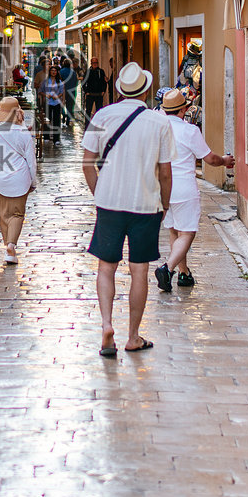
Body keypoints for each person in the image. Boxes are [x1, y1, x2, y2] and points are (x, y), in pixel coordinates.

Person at [81, 62, 174, 357]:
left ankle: (107, 325)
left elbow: (87, 162)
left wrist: (100, 192)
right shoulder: (159, 122)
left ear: (121, 89)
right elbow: (166, 172)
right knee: (139, 270)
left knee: (106, 267)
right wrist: (165, 203)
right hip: (145, 204)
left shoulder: (103, 115)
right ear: (146, 90)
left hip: (109, 203)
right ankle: (133, 336)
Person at [156, 88, 235, 292]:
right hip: (184, 187)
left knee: (174, 230)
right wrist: (225, 160)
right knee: (188, 231)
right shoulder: (189, 131)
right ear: (183, 110)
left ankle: (184, 273)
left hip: (163, 188)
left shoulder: (158, 129)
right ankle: (168, 268)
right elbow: (210, 159)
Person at [0, 97, 36, 264]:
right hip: (20, 178)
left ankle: (8, 249)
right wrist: (33, 182)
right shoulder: (23, 134)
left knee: (4, 214)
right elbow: (31, 161)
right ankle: (11, 245)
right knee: (17, 214)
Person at [40, 63, 65, 134]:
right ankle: (46, 136)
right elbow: (40, 91)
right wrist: (46, 95)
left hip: (56, 102)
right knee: (47, 119)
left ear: (57, 72)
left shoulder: (59, 82)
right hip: (48, 102)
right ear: (50, 72)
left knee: (57, 120)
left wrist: (57, 96)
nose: (53, 72)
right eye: (52, 70)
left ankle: (56, 138)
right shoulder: (46, 81)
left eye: (55, 71)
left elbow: (61, 92)